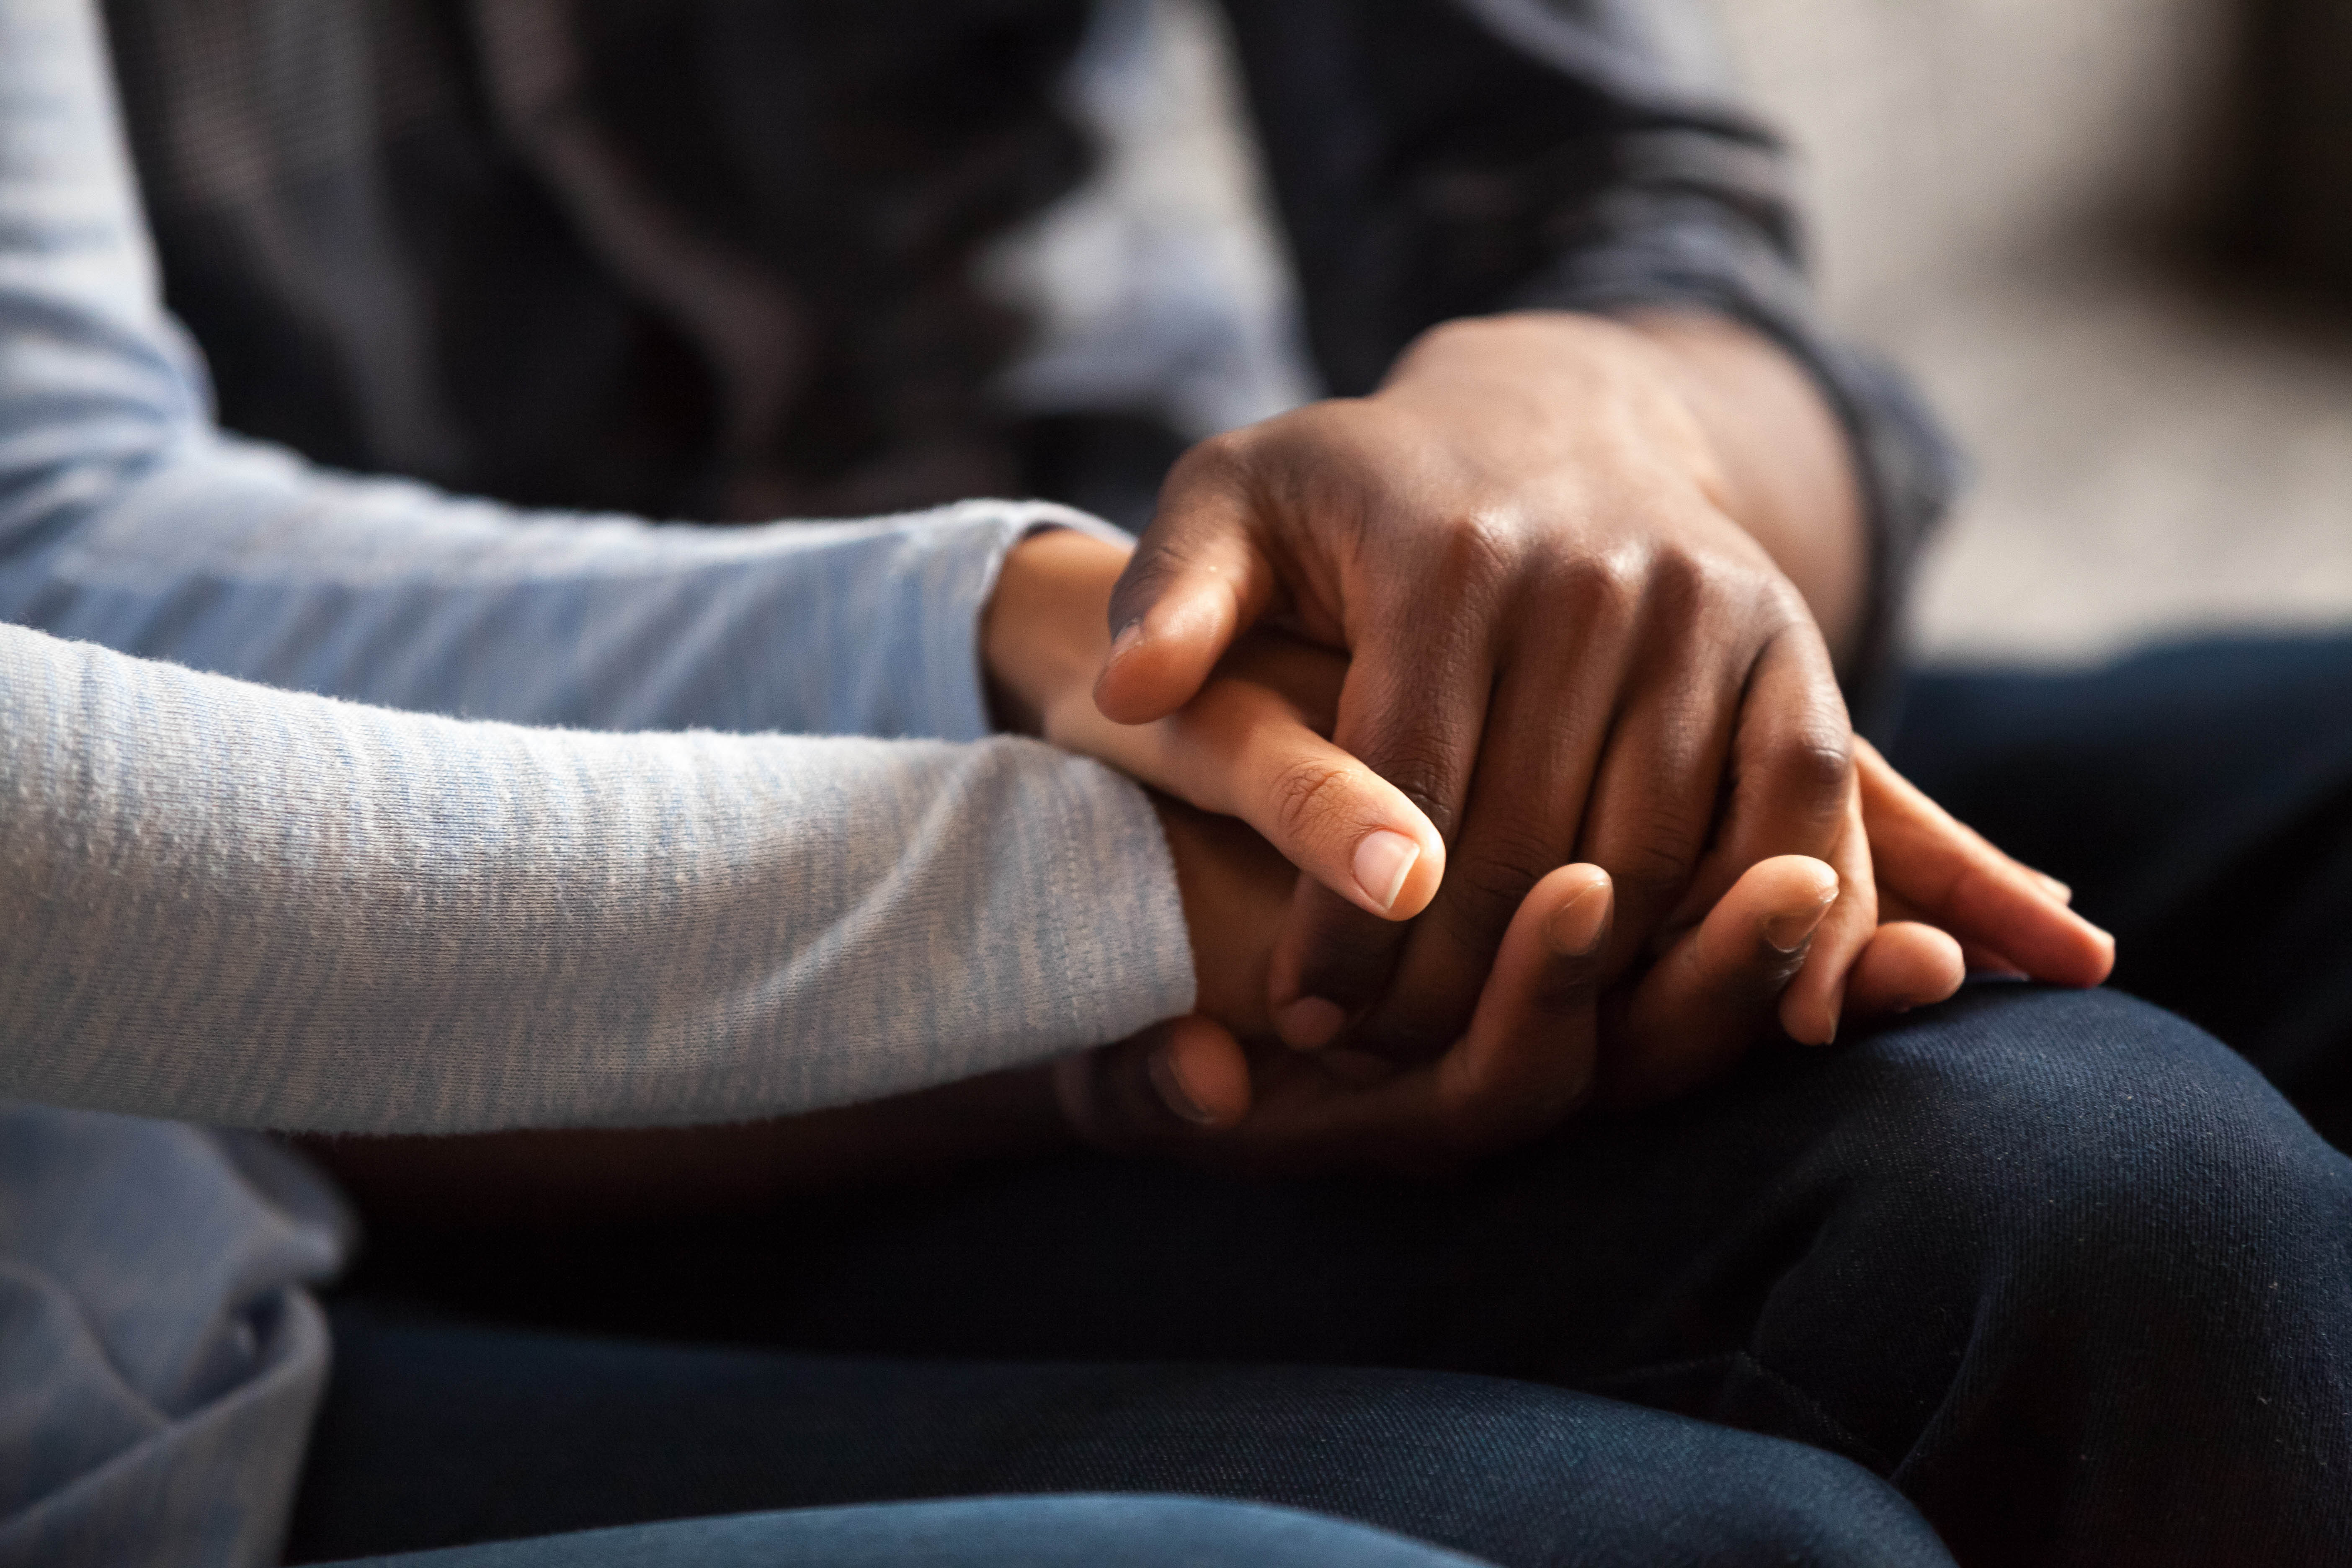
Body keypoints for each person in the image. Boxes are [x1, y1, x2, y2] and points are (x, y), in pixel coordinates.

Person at [1, 3, 2347, 1567]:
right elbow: (71, 573)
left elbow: (1631, 215)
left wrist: (1587, 457)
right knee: (2090, 1210)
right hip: (445, 993)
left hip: (1246, 690)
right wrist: (1144, 875)